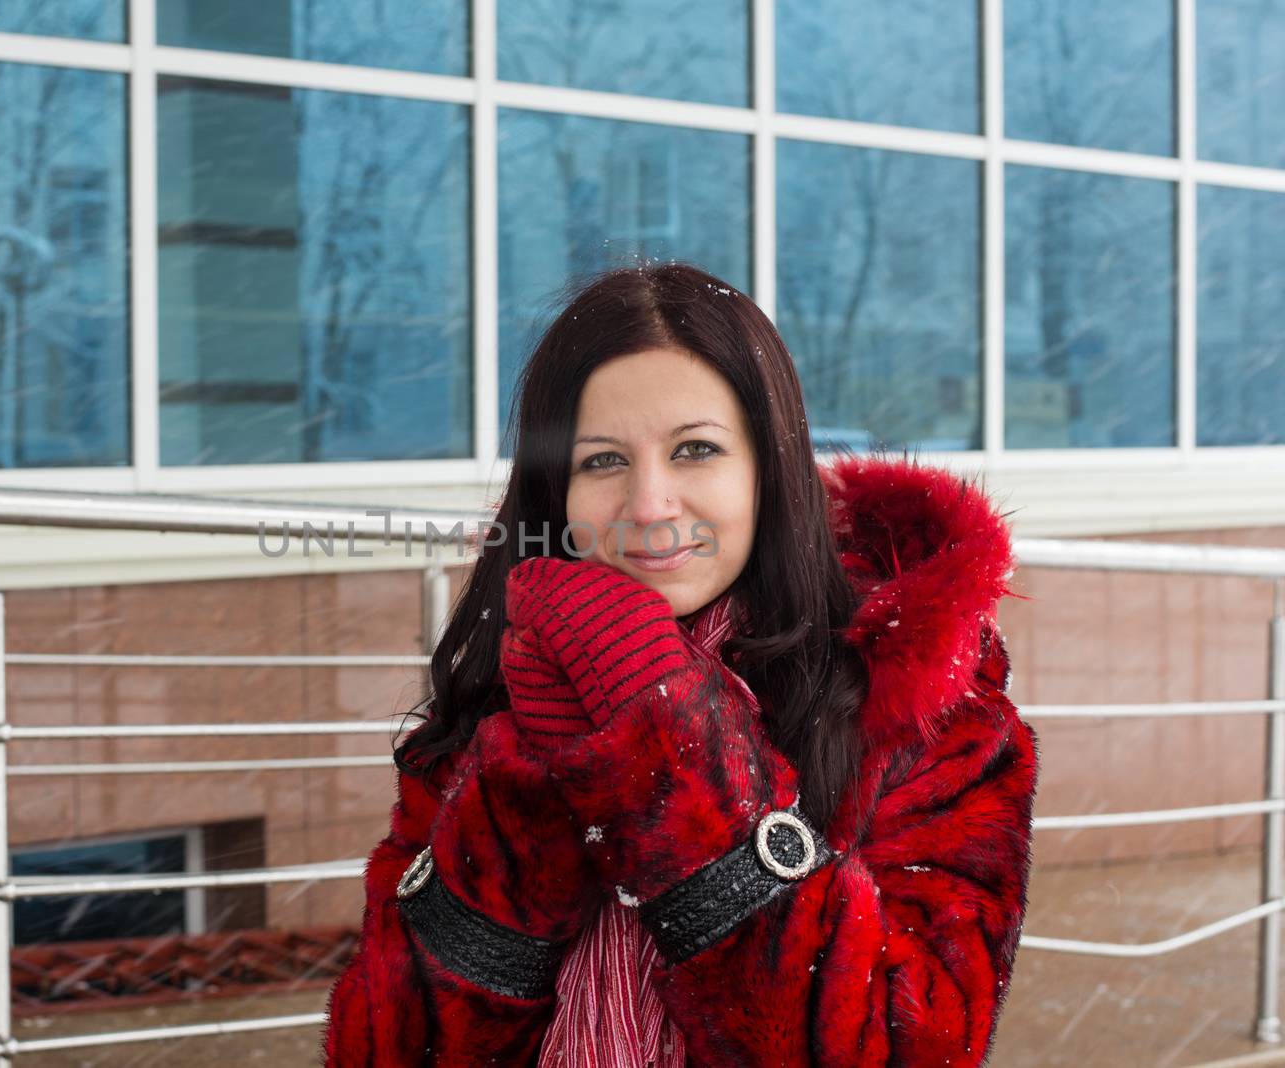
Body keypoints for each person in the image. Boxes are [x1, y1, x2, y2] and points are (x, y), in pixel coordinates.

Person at [320, 262, 1039, 1067]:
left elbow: (915, 1049)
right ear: (556, 492)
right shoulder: (500, 703)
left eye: (696, 449)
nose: (650, 504)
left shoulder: (918, 711)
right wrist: (523, 794)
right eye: (602, 461)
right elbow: (385, 1053)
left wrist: (660, 736)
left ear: (769, 469)